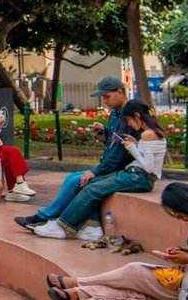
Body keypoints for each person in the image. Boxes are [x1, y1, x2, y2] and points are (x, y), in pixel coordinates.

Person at [47, 183, 188, 300]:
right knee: (138, 292)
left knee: (135, 271)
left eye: (177, 212)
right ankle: (76, 295)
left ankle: (77, 282)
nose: (177, 217)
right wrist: (184, 253)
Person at [33, 100, 167, 240]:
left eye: (129, 120)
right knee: (91, 183)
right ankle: (93, 227)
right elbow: (149, 157)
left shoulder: (148, 134)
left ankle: (62, 226)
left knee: (93, 189)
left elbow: (149, 167)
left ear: (137, 116)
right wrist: (136, 143)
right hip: (137, 175)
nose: (129, 124)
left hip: (139, 177)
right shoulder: (152, 132)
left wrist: (131, 147)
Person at [14, 76, 131, 232]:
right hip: (109, 166)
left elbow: (120, 152)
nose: (104, 101)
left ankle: (46, 217)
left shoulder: (128, 116)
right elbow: (114, 142)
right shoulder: (115, 113)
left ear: (120, 92)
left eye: (107, 96)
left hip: (118, 170)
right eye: (103, 97)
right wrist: (104, 134)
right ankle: (48, 216)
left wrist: (96, 171)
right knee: (71, 178)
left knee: (77, 181)